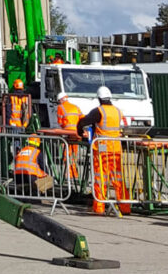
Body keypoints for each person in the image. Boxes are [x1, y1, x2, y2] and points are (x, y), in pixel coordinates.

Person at [76, 85, 130, 215]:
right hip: (116, 148)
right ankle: (125, 207)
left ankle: (99, 207)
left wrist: (80, 132)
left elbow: (83, 122)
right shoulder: (118, 111)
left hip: (102, 149)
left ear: (99, 98)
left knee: (100, 178)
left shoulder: (98, 111)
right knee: (118, 179)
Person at [56, 92, 82, 181]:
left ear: (61, 100)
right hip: (76, 133)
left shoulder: (60, 107)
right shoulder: (75, 107)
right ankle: (74, 173)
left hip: (67, 133)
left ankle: (69, 174)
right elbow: (82, 118)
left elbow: (60, 122)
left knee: (67, 153)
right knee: (74, 154)